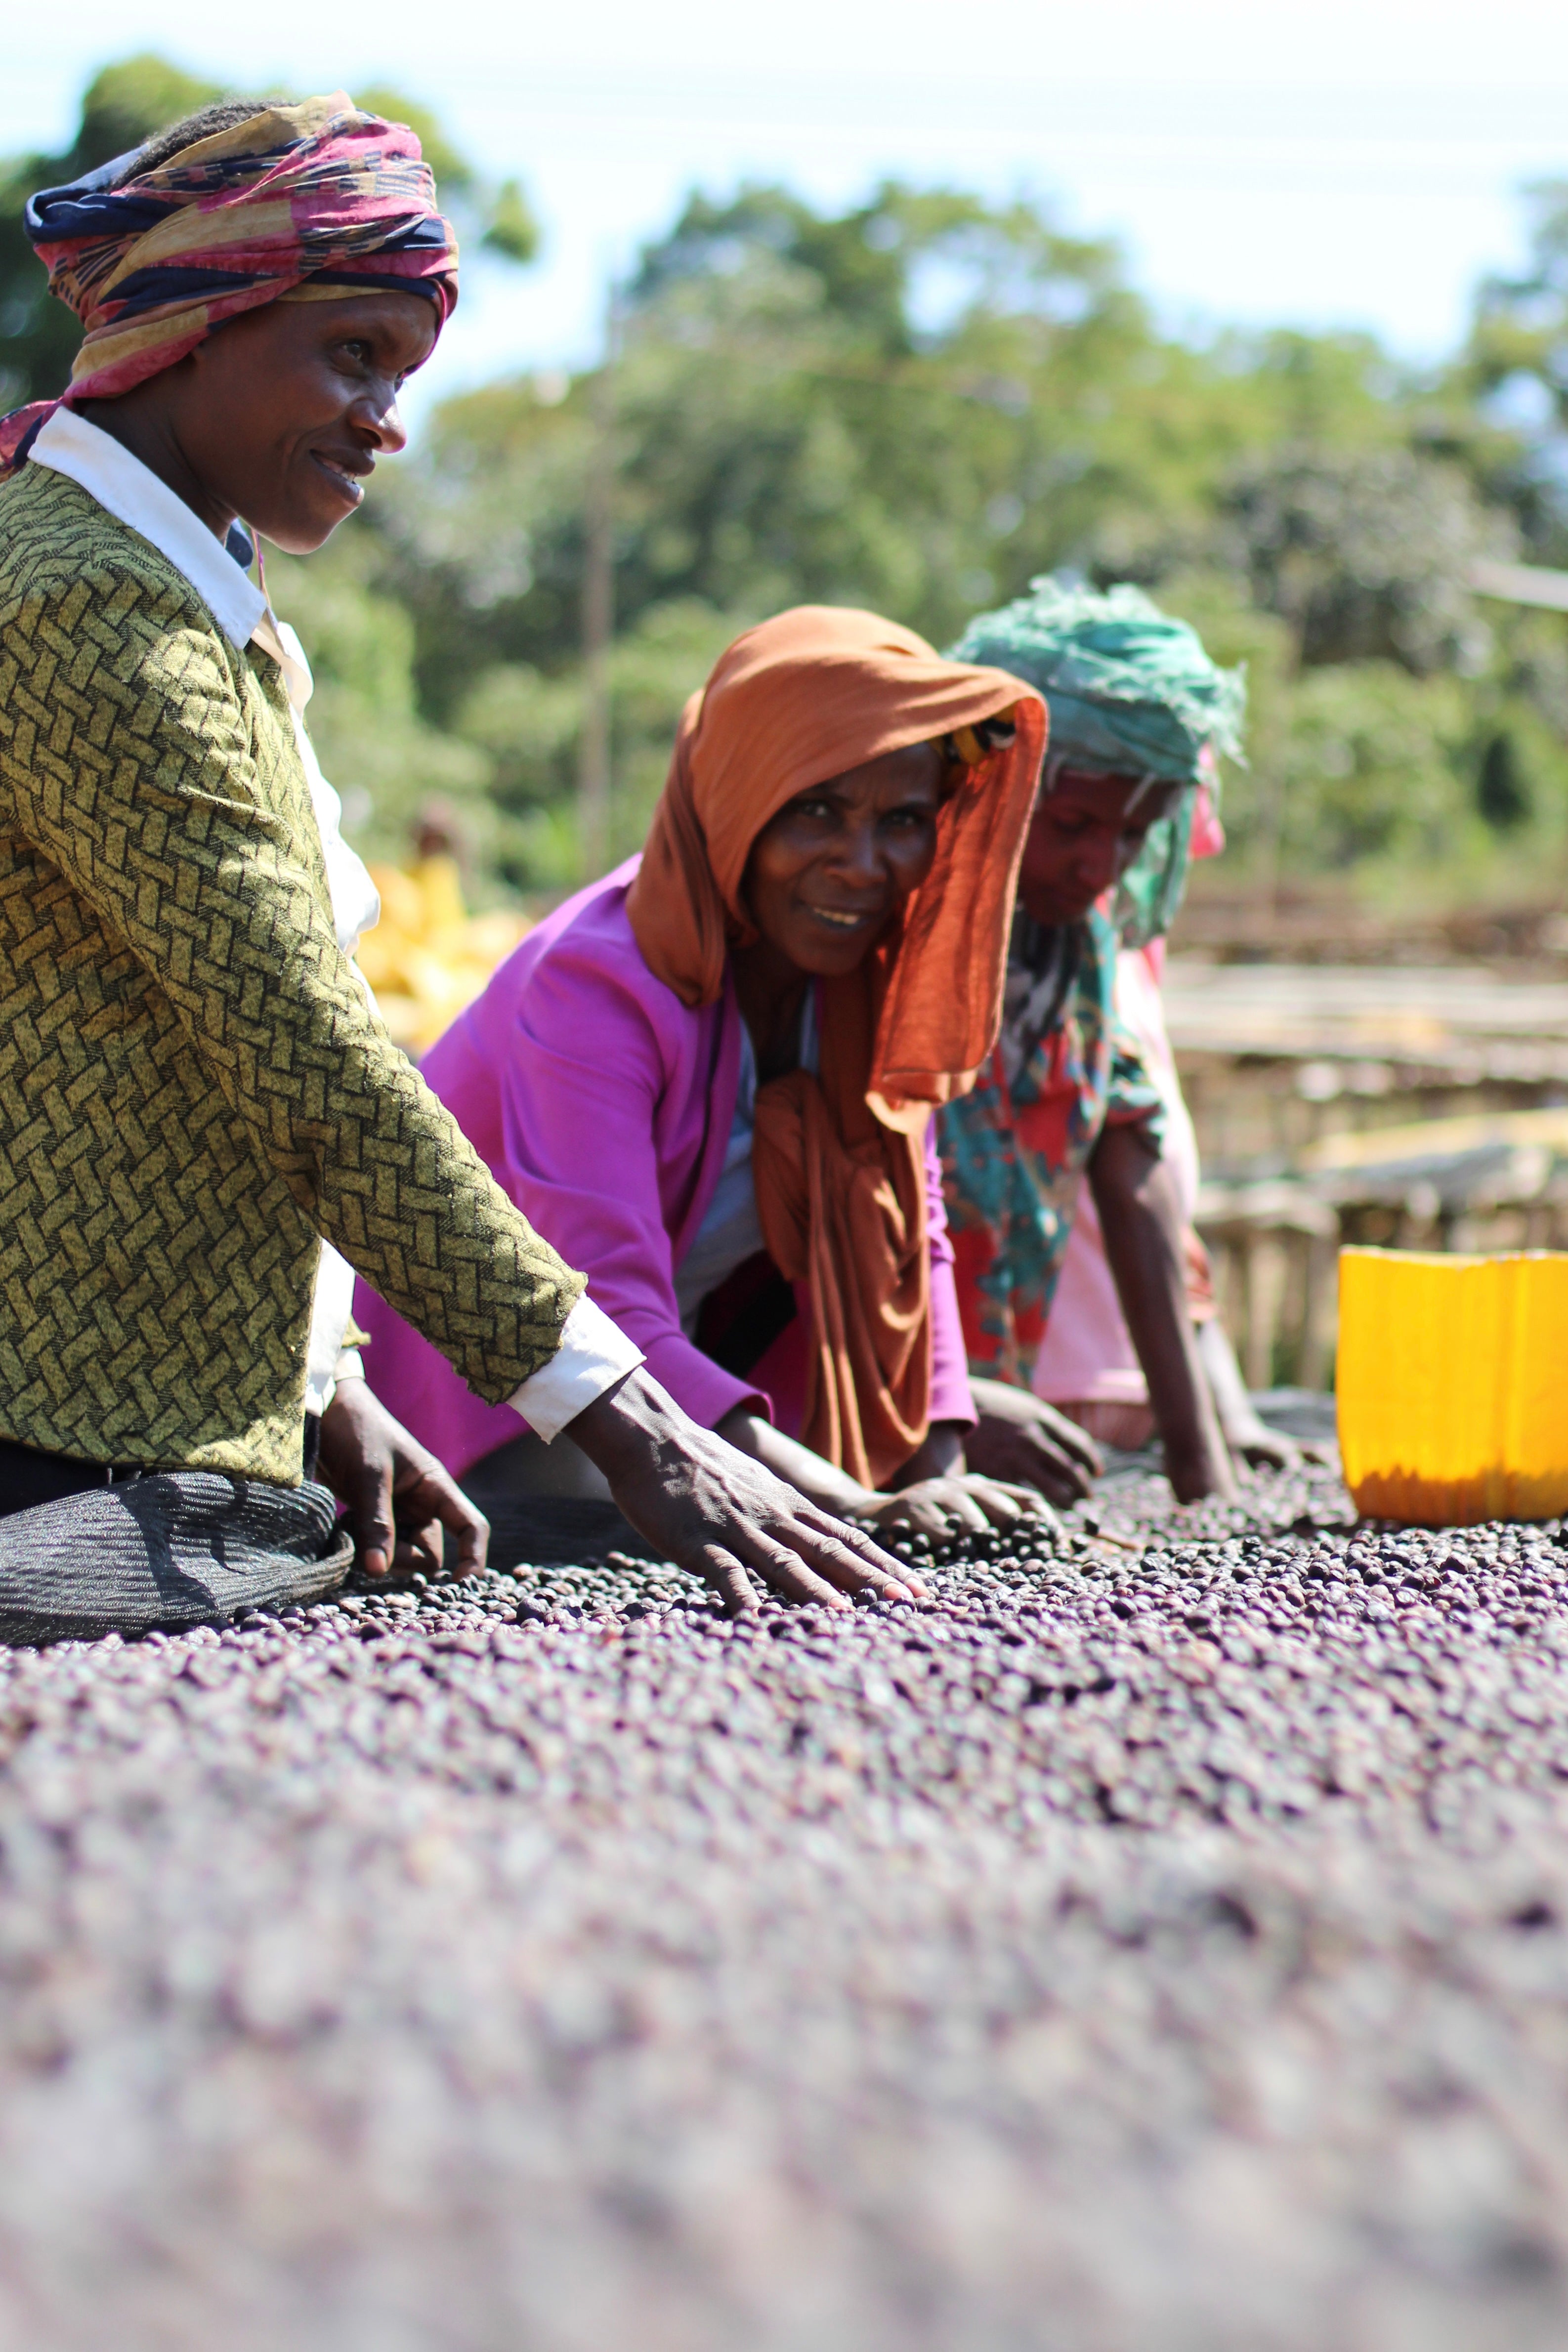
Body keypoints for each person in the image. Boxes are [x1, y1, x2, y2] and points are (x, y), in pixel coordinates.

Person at [0, 94, 920, 1629]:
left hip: (140, 1418)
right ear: (198, 325)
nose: (387, 419)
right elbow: (305, 1056)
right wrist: (635, 1432)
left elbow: (202, 1056)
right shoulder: (83, 601)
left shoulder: (186, 598)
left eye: (402, 373)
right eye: (352, 354)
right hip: (55, 1423)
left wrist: (328, 1383)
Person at [359, 604, 1087, 1536]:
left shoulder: (857, 985)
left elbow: (916, 1232)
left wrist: (939, 1464)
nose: (862, 865)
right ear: (736, 801)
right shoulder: (595, 986)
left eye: (903, 821)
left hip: (677, 1407)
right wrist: (856, 1503)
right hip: (489, 1425)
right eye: (817, 811)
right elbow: (600, 1311)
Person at [939, 579, 1245, 1505]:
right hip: (838, 1425)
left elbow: (1133, 1164)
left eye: (1133, 834)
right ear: (994, 791)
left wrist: (1203, 1462)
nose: (1099, 865)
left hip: (993, 1420)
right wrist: (937, 1415)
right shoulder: (896, 944)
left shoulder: (1077, 954)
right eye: (1072, 826)